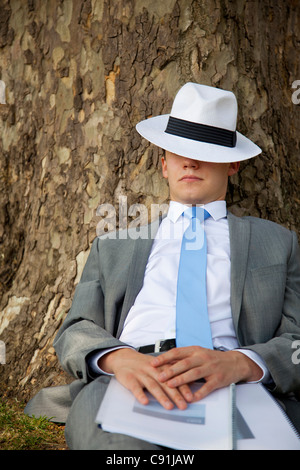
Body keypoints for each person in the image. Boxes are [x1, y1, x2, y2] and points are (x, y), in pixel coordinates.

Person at [25, 83, 300, 449]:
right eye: (179, 152)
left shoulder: (279, 242)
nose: (190, 161)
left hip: (235, 385)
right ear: (164, 165)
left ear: (233, 163)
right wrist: (118, 358)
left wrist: (244, 363)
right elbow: (76, 328)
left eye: (206, 151)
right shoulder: (113, 245)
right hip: (131, 377)